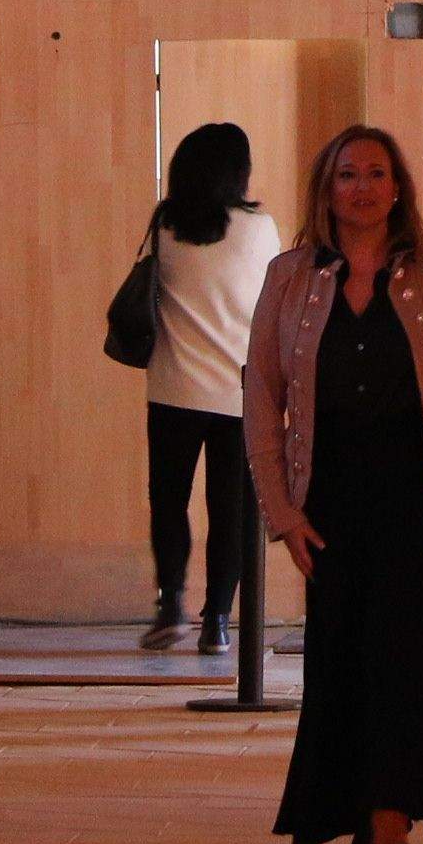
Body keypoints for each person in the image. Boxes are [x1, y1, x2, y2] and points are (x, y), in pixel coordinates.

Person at [244, 124, 423, 844]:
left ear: (399, 188)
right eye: (347, 174)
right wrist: (282, 512)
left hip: (422, 506)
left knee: (412, 666)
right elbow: (260, 395)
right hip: (331, 506)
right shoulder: (291, 276)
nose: (362, 187)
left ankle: (392, 827)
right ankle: (363, 818)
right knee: (345, 667)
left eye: (376, 173)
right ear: (326, 189)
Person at [139, 122, 279, 655]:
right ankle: (217, 621)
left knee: (169, 502)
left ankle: (170, 603)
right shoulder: (259, 229)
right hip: (238, 394)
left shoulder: (165, 225)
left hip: (172, 388)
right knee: (232, 511)